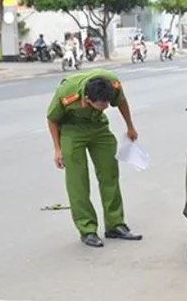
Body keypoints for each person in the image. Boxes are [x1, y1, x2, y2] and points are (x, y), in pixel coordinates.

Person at [46, 69, 142, 248]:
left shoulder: (112, 82)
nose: (106, 106)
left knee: (109, 174)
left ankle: (115, 224)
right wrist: (57, 149)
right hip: (72, 131)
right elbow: (52, 119)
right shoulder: (67, 93)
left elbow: (121, 102)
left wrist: (130, 127)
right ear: (87, 100)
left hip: (99, 128)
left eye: (107, 102)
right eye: (102, 104)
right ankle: (87, 229)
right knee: (78, 181)